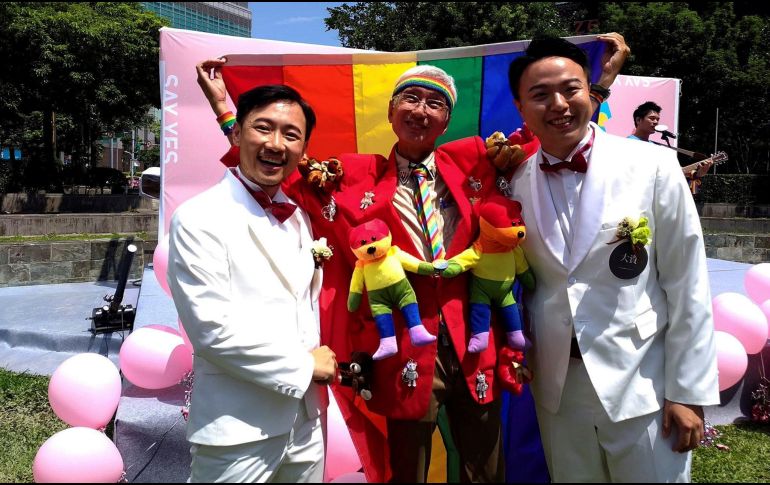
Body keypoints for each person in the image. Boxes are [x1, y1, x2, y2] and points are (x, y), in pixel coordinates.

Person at [196, 33, 629, 483]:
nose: (421, 110)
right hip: (403, 347)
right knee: (406, 471)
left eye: (435, 103)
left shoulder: (475, 160)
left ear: (446, 121)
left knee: (485, 469)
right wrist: (224, 108)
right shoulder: (354, 175)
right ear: (391, 112)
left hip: (475, 339)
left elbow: (545, 128)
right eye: (411, 98)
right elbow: (280, 164)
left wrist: (601, 82)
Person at [506, 36, 719, 482]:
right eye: (540, 95)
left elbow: (687, 283)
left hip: (643, 382)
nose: (558, 104)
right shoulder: (514, 184)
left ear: (591, 92)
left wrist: (687, 391)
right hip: (557, 390)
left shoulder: (652, 165)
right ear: (520, 107)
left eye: (570, 89)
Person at [166, 84, 338, 483]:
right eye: (263, 128)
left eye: (291, 134)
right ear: (237, 133)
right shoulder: (199, 217)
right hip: (237, 426)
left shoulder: (299, 216)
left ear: (303, 148)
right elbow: (211, 330)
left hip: (307, 422)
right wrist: (304, 366)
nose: (276, 144)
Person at [628, 101, 714, 189]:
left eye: (657, 119)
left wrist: (699, 173)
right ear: (638, 120)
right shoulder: (628, 144)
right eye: (652, 118)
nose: (656, 122)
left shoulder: (655, 147)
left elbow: (668, 172)